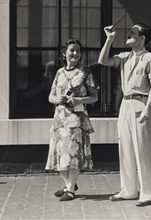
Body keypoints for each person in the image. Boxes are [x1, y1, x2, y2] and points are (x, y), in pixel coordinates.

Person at [98, 23, 151, 207]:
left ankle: (147, 193)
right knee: (124, 148)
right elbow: (103, 60)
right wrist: (109, 39)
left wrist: (149, 109)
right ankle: (128, 191)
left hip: (141, 103)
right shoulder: (125, 57)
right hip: (125, 103)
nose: (128, 34)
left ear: (142, 39)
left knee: (143, 150)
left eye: (133, 33)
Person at [45, 39, 99, 201]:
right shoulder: (59, 73)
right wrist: (59, 100)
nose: (75, 53)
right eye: (72, 50)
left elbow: (94, 97)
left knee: (73, 154)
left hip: (76, 119)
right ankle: (69, 184)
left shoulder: (85, 72)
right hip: (60, 119)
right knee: (60, 153)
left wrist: (79, 100)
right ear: (64, 53)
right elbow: (50, 96)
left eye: (78, 51)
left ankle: (70, 190)